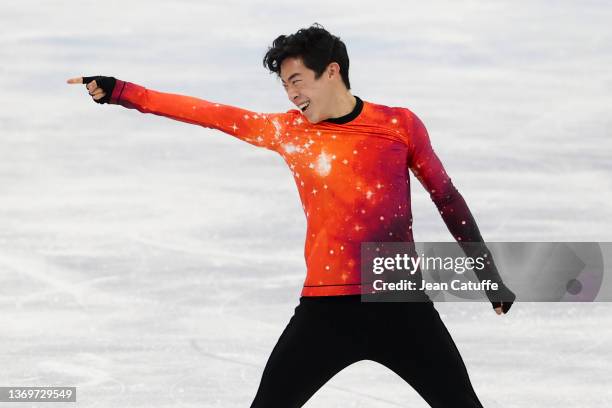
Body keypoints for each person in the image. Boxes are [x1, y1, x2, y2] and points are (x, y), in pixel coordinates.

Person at [67, 23, 515, 408]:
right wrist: (123, 92)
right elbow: (210, 113)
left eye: (298, 79)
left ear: (333, 71)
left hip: (399, 303)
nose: (292, 93)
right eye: (285, 84)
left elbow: (447, 199)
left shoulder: (397, 126)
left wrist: (487, 274)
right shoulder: (288, 131)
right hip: (325, 312)